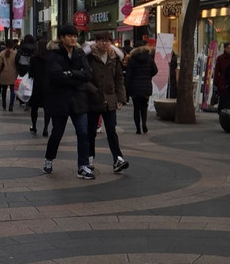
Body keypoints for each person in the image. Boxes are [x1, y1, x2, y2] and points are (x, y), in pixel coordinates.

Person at [43, 24, 94, 178]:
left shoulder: (79, 53)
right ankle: (49, 159)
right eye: (70, 36)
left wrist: (71, 73)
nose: (73, 39)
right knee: (57, 132)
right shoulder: (54, 54)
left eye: (75, 36)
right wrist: (76, 77)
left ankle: (83, 165)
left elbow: (88, 74)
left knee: (83, 133)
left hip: (78, 99)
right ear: (62, 38)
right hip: (60, 100)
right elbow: (55, 75)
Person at [86, 32, 129, 171]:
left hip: (110, 100)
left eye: (108, 41)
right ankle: (89, 158)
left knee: (111, 130)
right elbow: (84, 78)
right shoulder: (89, 57)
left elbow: (119, 79)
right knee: (91, 131)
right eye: (102, 41)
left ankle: (118, 159)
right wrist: (93, 91)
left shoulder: (114, 58)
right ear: (96, 42)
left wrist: (121, 98)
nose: (105, 43)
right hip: (92, 99)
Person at [123, 43, 158, 134]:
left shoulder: (132, 59)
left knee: (136, 108)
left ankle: (138, 128)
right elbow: (155, 70)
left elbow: (128, 75)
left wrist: (126, 87)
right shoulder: (149, 58)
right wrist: (148, 76)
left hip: (135, 87)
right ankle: (144, 123)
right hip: (146, 85)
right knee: (144, 107)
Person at [28, 37, 49, 135]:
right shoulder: (50, 57)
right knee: (47, 109)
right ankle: (45, 128)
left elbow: (31, 73)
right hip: (48, 86)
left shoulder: (34, 59)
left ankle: (34, 126)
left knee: (34, 108)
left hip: (37, 86)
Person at [212, 42, 230, 112]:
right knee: (223, 99)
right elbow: (217, 71)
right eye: (228, 48)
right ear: (225, 49)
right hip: (222, 81)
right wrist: (216, 82)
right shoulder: (220, 58)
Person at [0, 41, 18, 111]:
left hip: (4, 73)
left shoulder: (2, 53)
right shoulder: (16, 53)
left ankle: (4, 103)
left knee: (4, 90)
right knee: (12, 90)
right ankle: (11, 104)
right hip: (13, 73)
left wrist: (0, 70)